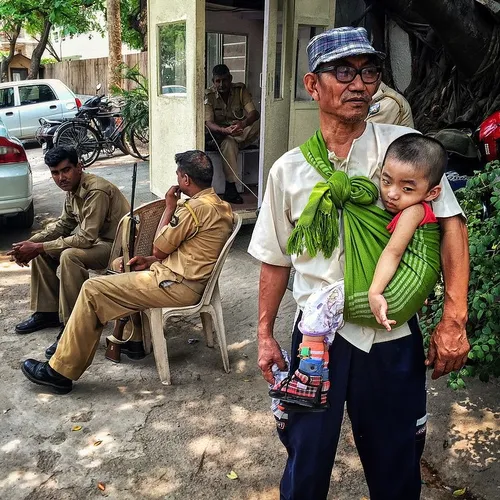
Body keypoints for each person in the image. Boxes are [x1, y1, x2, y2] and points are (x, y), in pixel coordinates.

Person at [248, 27, 469, 500]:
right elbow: (274, 258)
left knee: (395, 465)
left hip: (388, 335)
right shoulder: (289, 169)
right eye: (343, 71)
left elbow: (451, 225)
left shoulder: (404, 147)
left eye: (369, 71)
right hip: (317, 340)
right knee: (306, 465)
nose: (359, 84)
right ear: (313, 86)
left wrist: (454, 318)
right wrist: (265, 335)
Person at [20, 150, 234, 394]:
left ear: (185, 180)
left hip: (175, 284)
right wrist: (152, 260)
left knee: (92, 289)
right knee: (115, 274)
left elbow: (159, 245)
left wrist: (169, 208)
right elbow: (189, 250)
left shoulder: (191, 210)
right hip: (180, 278)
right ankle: (130, 340)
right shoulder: (220, 205)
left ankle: (60, 371)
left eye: (177, 175)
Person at [270, 134, 446, 410]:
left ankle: (309, 378)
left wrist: (374, 292)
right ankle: (314, 372)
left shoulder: (413, 213)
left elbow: (393, 252)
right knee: (327, 316)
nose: (392, 193)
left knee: (319, 306)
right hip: (397, 296)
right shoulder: (411, 208)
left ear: (432, 192)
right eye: (386, 181)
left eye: (407, 188)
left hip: (389, 297)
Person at [9, 146, 129, 356]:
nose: (61, 177)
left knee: (69, 256)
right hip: (99, 243)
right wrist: (30, 244)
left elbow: (85, 238)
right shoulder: (72, 190)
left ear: (79, 167)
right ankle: (48, 313)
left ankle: (73, 325)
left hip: (117, 247)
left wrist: (38, 246)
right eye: (55, 173)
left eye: (66, 170)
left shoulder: (95, 191)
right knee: (41, 251)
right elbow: (63, 225)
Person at [204, 64, 260, 204]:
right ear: (213, 81)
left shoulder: (240, 90)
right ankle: (231, 188)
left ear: (230, 78)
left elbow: (254, 113)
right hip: (220, 135)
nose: (222, 84)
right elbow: (208, 123)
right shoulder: (209, 95)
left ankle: (237, 138)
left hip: (239, 130)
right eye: (218, 81)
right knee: (229, 143)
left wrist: (243, 124)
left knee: (260, 123)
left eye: (225, 80)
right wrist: (225, 131)